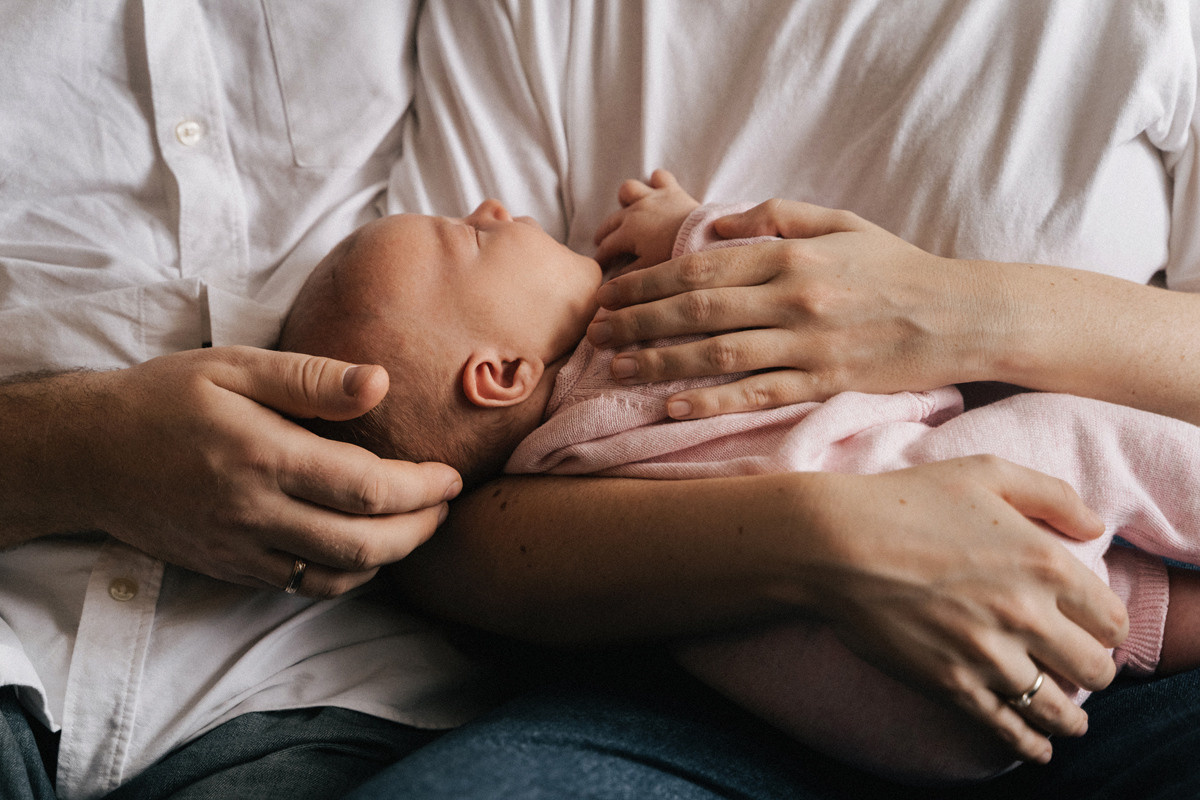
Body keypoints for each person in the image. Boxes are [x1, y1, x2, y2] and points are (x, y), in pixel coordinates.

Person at [0, 2, 1188, 800]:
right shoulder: (535, 45)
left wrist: (958, 308)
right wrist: (831, 541)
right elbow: (455, 513)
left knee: (1075, 480)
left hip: (1010, 583)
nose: (498, 214)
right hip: (697, 662)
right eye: (476, 234)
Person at [280, 171, 1200, 784]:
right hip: (933, 535)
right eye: (470, 242)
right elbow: (749, 270)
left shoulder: (552, 464)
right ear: (501, 376)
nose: (488, 209)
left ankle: (1147, 630)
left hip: (902, 723)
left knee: (1087, 587)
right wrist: (676, 222)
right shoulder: (626, 338)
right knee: (1080, 444)